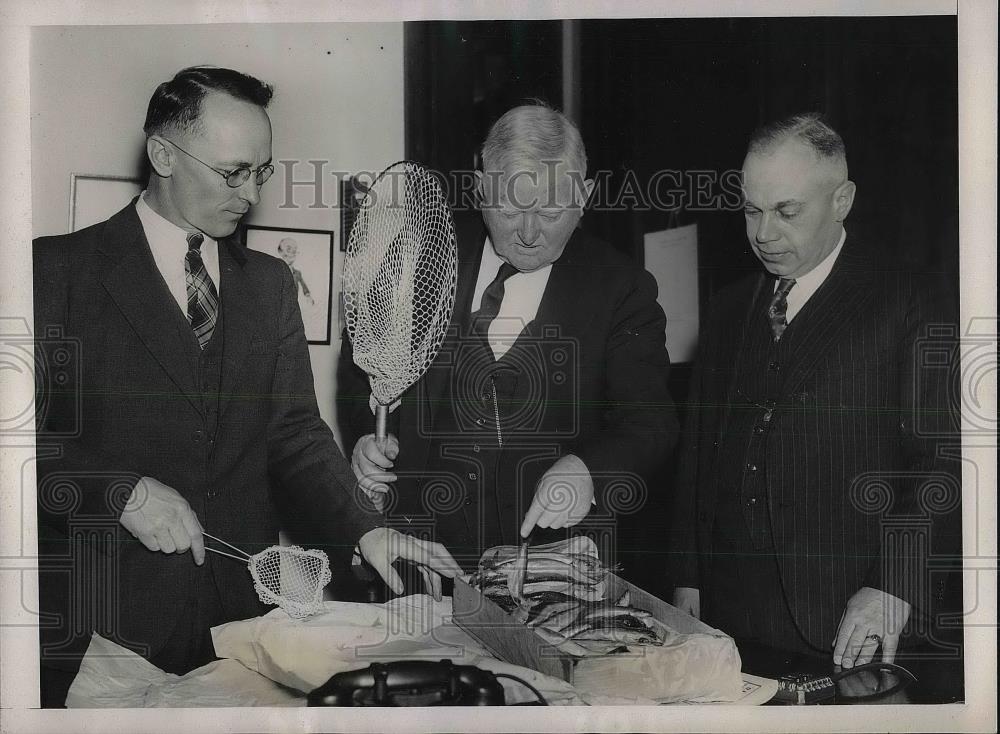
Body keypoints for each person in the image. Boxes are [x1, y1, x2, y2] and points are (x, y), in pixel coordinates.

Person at [32, 66, 460, 706]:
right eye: (233, 171)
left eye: (261, 172)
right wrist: (118, 491)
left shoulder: (270, 285)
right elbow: (14, 444)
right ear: (162, 155)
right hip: (98, 630)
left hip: (241, 625)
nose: (251, 193)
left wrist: (364, 528)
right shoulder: (55, 270)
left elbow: (295, 436)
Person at [339, 103, 678, 584]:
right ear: (480, 189)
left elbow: (651, 422)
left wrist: (588, 469)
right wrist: (363, 439)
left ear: (585, 196)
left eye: (550, 210)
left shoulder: (621, 288)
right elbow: (362, 365)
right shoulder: (424, 255)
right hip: (420, 563)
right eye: (509, 208)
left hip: (550, 572)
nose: (529, 232)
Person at [667, 113, 960, 669]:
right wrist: (687, 579)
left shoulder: (909, 298)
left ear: (842, 200)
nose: (763, 233)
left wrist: (893, 585)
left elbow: (944, 460)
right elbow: (697, 460)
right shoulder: (728, 310)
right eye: (752, 210)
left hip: (854, 622)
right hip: (728, 621)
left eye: (787, 211)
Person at [277, 236, 314, 306]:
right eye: (288, 249)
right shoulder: (277, 271)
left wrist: (308, 296)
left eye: (295, 249)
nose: (293, 252)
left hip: (293, 304)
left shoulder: (297, 273)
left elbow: (304, 285)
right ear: (280, 252)